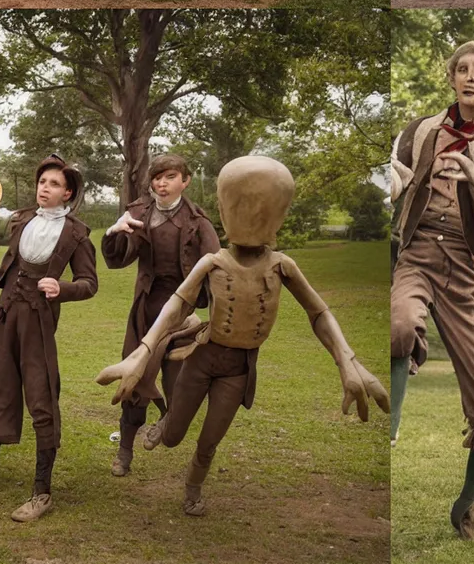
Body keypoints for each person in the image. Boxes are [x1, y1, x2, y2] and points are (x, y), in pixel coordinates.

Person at [97, 157, 387, 517]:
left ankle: (193, 488)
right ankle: (153, 432)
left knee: (209, 441)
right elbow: (173, 304)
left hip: (237, 367)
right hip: (189, 345)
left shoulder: (276, 263)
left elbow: (319, 312)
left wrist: (347, 358)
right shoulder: (203, 255)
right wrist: (142, 352)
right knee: (170, 436)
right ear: (225, 208)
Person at [388, 40, 474, 540]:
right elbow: (390, 175)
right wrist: (392, 184)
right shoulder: (422, 129)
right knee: (399, 323)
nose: (470, 78)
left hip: (465, 269)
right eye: (462, 70)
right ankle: (392, 427)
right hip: (418, 253)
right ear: (452, 79)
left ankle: (466, 505)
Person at [0, 155, 98, 522]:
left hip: (38, 320)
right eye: (43, 182)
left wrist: (61, 286)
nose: (45, 188)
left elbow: (90, 284)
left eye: (54, 184)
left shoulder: (77, 234)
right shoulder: (23, 220)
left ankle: (42, 492)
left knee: (42, 395)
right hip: (7, 312)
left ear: (68, 193)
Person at [100, 153, 220, 478]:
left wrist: (217, 315)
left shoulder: (199, 221)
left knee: (179, 383)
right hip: (145, 312)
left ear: (185, 181)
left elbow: (216, 270)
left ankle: (167, 423)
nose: (161, 184)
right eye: (157, 177)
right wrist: (114, 233)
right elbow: (116, 259)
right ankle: (124, 451)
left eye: (169, 177)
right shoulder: (139, 213)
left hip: (183, 317)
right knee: (133, 380)